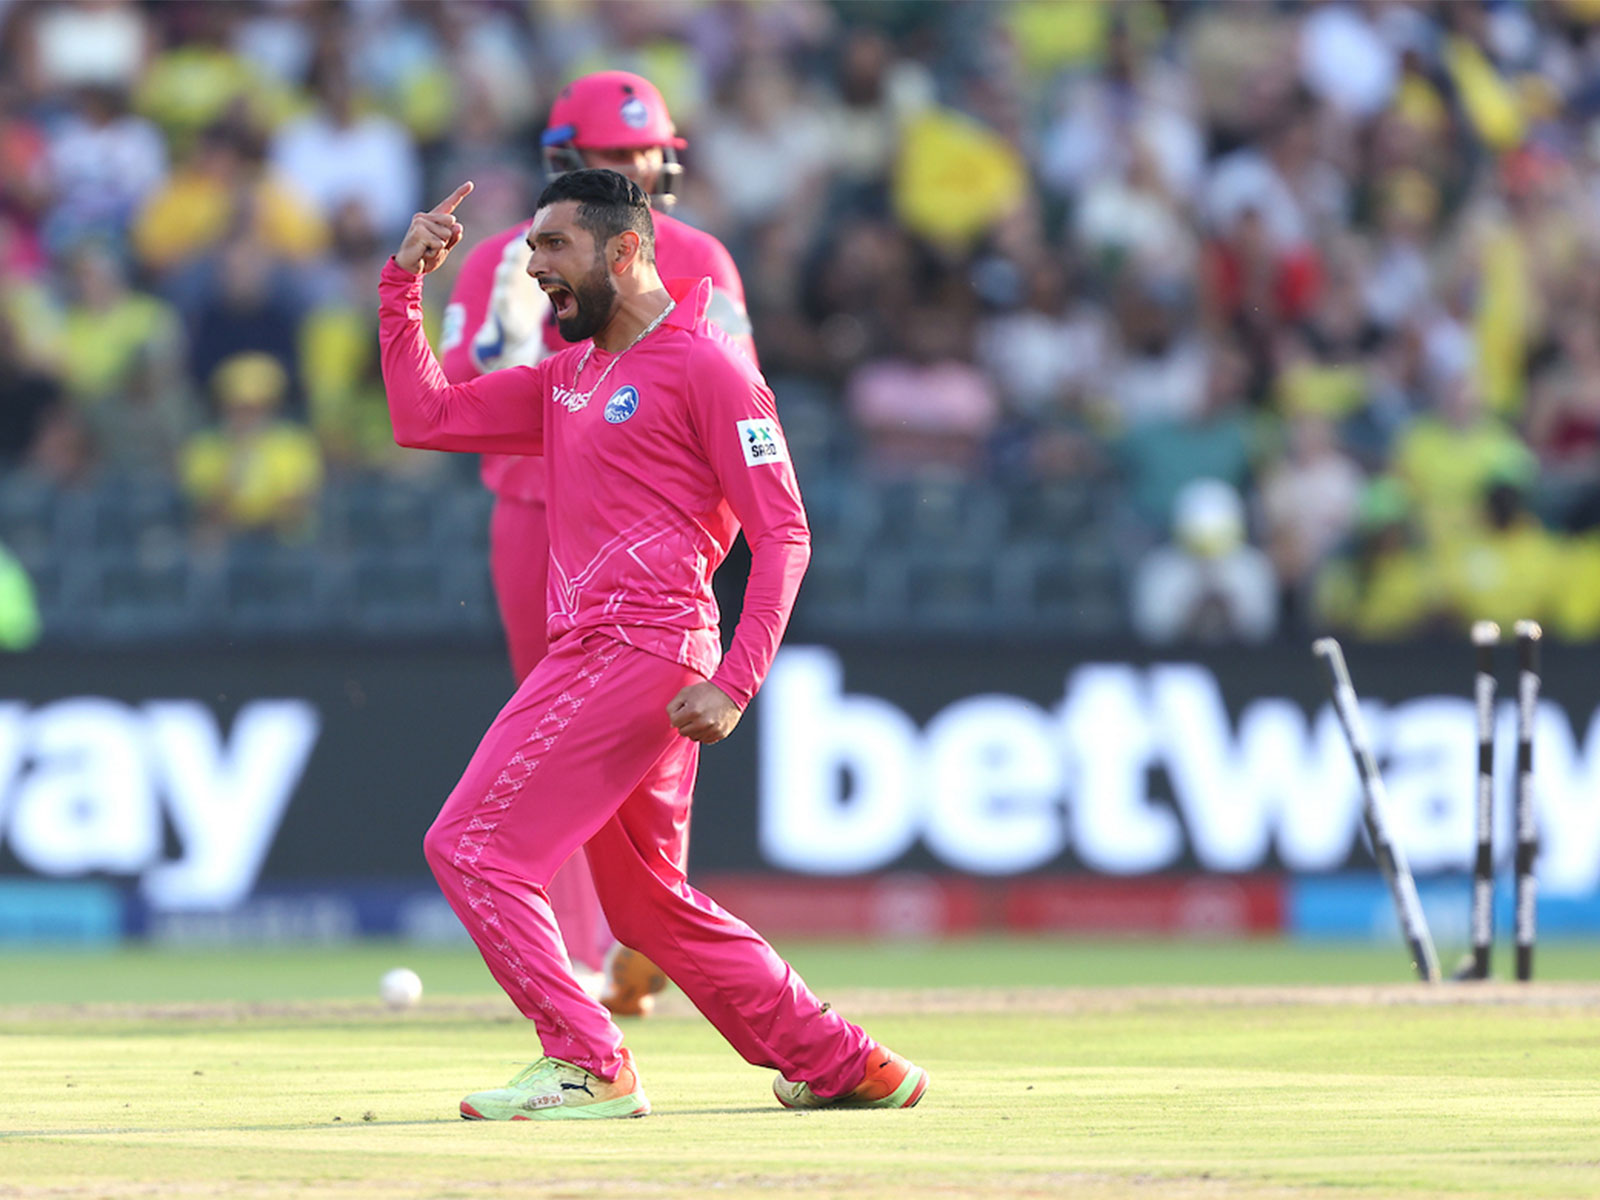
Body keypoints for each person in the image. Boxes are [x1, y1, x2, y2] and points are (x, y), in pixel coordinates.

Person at [378, 169, 927, 1120]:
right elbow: (422, 417)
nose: (532, 263)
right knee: (643, 908)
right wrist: (402, 288)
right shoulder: (570, 379)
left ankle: (589, 1062)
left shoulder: (708, 366)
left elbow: (785, 533)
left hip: (638, 648)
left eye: (554, 247)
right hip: (618, 655)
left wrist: (737, 680)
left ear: (625, 251)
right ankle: (841, 1061)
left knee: (472, 847)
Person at [439, 70, 754, 1015]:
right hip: (539, 513)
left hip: (653, 530)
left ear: (666, 159)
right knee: (555, 737)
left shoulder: (704, 254)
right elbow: (465, 389)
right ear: (563, 162)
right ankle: (585, 951)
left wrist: (706, 532)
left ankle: (635, 937)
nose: (625, 168)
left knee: (648, 743)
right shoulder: (509, 254)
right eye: (606, 156)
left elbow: (738, 400)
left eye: (638, 153)